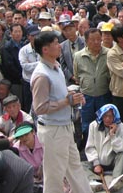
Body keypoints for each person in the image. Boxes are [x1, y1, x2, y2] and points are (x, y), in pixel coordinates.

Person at [31, 31, 92, 193]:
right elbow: (40, 108)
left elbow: (60, 93)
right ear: (45, 49)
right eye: (56, 43)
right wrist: (67, 101)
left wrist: (73, 96)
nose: (60, 46)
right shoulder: (41, 75)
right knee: (54, 175)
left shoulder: (56, 67)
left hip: (65, 126)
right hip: (53, 130)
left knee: (75, 167)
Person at [0, 94, 34, 193]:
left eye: (14, 106)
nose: (12, 109)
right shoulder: (3, 119)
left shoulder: (18, 172)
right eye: (9, 107)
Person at [73, 28, 112, 140]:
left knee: (105, 121)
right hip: (87, 95)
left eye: (98, 39)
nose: (96, 42)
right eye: (92, 40)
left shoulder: (108, 53)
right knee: (87, 123)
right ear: (86, 41)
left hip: (104, 93)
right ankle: (88, 145)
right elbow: (77, 75)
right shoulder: (78, 56)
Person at [85, 104, 123, 192]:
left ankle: (115, 180)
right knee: (81, 165)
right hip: (98, 162)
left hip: (113, 161)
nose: (107, 119)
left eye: (110, 116)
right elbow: (90, 147)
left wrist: (113, 135)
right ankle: (96, 181)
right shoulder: (93, 126)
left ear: (115, 116)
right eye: (105, 116)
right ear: (101, 115)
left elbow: (122, 149)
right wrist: (96, 164)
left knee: (122, 156)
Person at [18, 25, 40, 113]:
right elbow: (25, 66)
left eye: (37, 35)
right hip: (28, 82)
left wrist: (33, 64)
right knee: (28, 106)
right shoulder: (23, 50)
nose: (35, 38)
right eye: (33, 36)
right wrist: (40, 63)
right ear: (28, 36)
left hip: (40, 81)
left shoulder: (43, 48)